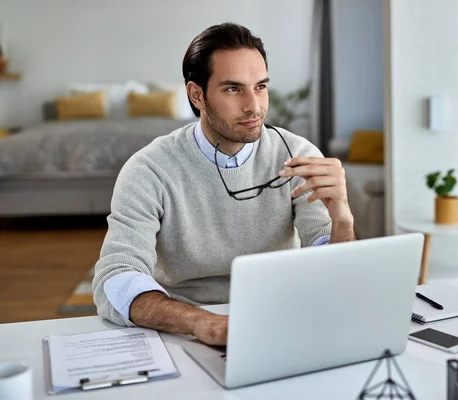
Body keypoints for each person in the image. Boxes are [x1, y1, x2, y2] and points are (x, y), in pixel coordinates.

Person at [92, 22, 356, 346]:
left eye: (260, 87)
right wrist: (203, 323)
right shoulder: (149, 170)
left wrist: (343, 219)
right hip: (184, 328)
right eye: (233, 89)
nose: (254, 106)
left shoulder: (298, 155)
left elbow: (334, 273)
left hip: (280, 319)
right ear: (197, 95)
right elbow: (116, 278)